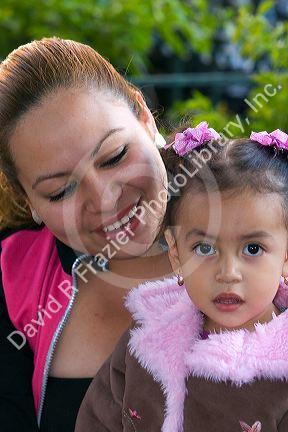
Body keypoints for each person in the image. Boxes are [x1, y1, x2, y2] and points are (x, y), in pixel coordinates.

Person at [0, 37, 172, 431]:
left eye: (114, 156)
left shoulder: (260, 216)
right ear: (29, 201)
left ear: (144, 117)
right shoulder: (12, 279)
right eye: (61, 190)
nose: (105, 200)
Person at [75, 122, 288, 432]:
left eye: (253, 248)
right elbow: (97, 420)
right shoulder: (144, 341)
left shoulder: (280, 371)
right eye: (204, 248)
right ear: (175, 253)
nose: (228, 273)